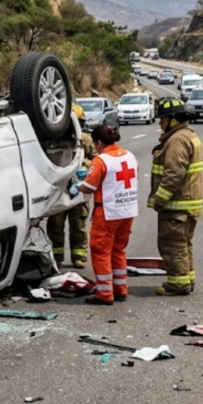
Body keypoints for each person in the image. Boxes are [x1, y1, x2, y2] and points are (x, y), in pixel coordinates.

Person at [76, 125, 139, 305]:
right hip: (127, 211)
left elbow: (89, 187)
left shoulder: (101, 160)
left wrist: (78, 186)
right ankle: (120, 289)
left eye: (95, 144)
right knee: (118, 250)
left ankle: (104, 294)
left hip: (108, 212)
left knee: (101, 250)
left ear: (99, 142)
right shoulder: (129, 155)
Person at [149, 97, 203, 296]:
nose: (159, 122)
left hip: (176, 206)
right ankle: (186, 279)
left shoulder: (177, 140)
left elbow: (174, 174)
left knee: (172, 244)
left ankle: (178, 284)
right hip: (186, 204)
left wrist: (159, 200)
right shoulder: (187, 135)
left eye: (162, 119)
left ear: (173, 120)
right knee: (183, 244)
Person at [48, 103, 94, 268]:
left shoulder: (86, 139)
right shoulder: (52, 140)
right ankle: (57, 257)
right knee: (55, 226)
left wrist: (84, 165)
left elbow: (96, 160)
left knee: (78, 225)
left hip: (78, 190)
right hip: (59, 189)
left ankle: (79, 257)